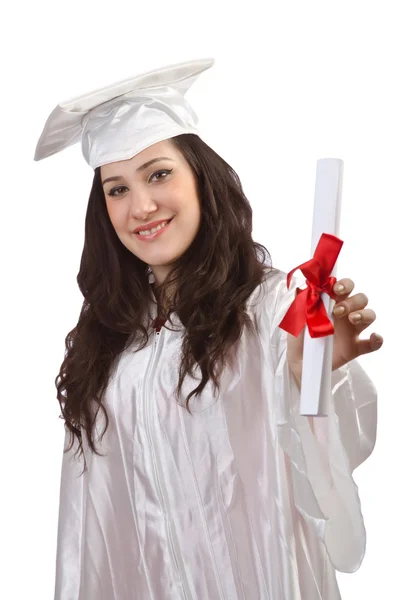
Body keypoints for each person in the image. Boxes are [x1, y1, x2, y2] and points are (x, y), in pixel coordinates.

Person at [34, 58, 383, 600]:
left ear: (202, 177)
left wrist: (308, 374)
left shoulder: (268, 307)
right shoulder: (107, 340)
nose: (141, 206)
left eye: (158, 173)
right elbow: (91, 527)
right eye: (116, 189)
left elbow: (311, 450)